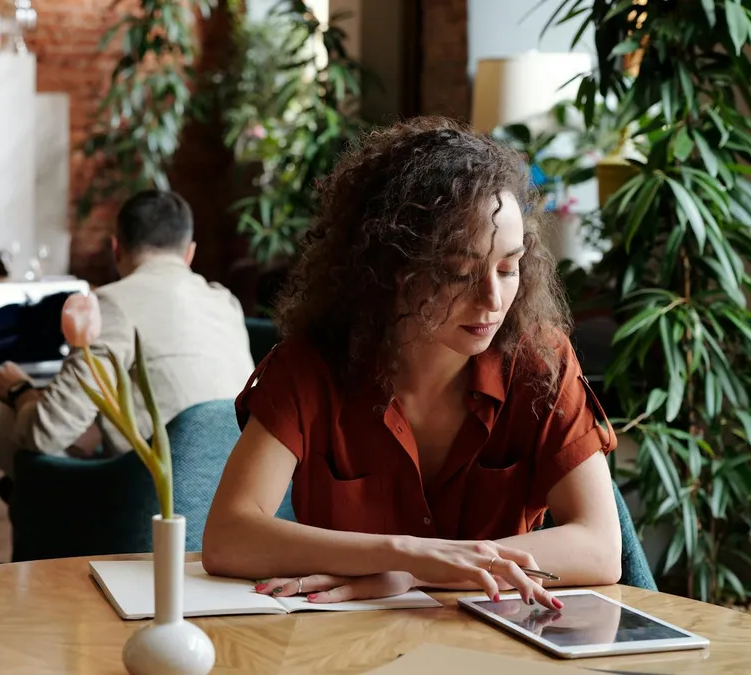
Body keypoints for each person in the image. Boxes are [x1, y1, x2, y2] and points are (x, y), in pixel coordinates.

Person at [202, 117, 622, 610]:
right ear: (390, 270)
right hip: (345, 648)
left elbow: (600, 548)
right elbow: (229, 536)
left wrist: (421, 575)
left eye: (509, 267)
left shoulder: (540, 363)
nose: (492, 297)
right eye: (459, 273)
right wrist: (405, 556)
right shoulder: (310, 368)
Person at [0, 190, 255, 476]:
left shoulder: (112, 304)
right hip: (233, 485)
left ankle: (50, 513)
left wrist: (21, 391)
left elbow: (46, 435)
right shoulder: (224, 301)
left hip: (149, 498)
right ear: (190, 252)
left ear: (116, 249)